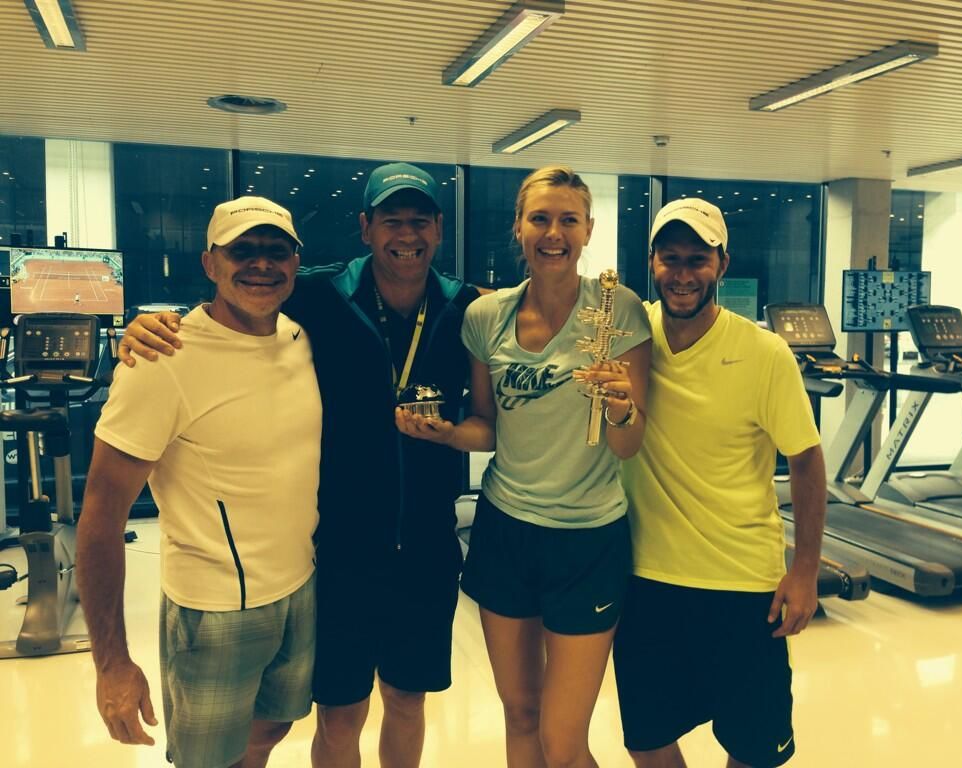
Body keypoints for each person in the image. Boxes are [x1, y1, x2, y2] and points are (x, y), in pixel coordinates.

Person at [117, 163, 480, 768]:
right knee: (341, 713)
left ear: (439, 229)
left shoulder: (465, 307)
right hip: (338, 552)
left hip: (427, 548)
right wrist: (155, 323)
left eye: (420, 221)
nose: (406, 234)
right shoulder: (319, 294)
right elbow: (234, 301)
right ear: (366, 228)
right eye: (391, 220)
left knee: (407, 699)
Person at [397, 165, 651, 768]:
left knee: (563, 744)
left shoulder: (618, 312)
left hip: (587, 539)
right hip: (505, 531)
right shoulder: (486, 317)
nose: (553, 233)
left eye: (568, 220)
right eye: (540, 218)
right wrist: (447, 433)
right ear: (519, 227)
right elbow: (486, 425)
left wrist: (620, 409)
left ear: (588, 230)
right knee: (519, 715)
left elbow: (628, 445)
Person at [77, 196, 321, 768]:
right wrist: (111, 662)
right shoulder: (163, 358)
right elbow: (101, 514)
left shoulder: (299, 337)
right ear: (210, 263)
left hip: (301, 586)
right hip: (214, 610)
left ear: (295, 263)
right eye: (242, 251)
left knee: (270, 730)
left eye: (276, 251)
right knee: (209, 760)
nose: (261, 264)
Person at [612, 198, 826, 768]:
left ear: (722, 265)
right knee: (646, 739)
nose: (682, 274)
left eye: (697, 260)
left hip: (743, 584)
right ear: (651, 262)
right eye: (670, 258)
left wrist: (805, 570)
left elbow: (806, 460)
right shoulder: (631, 340)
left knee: (753, 748)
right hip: (647, 579)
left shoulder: (764, 353)